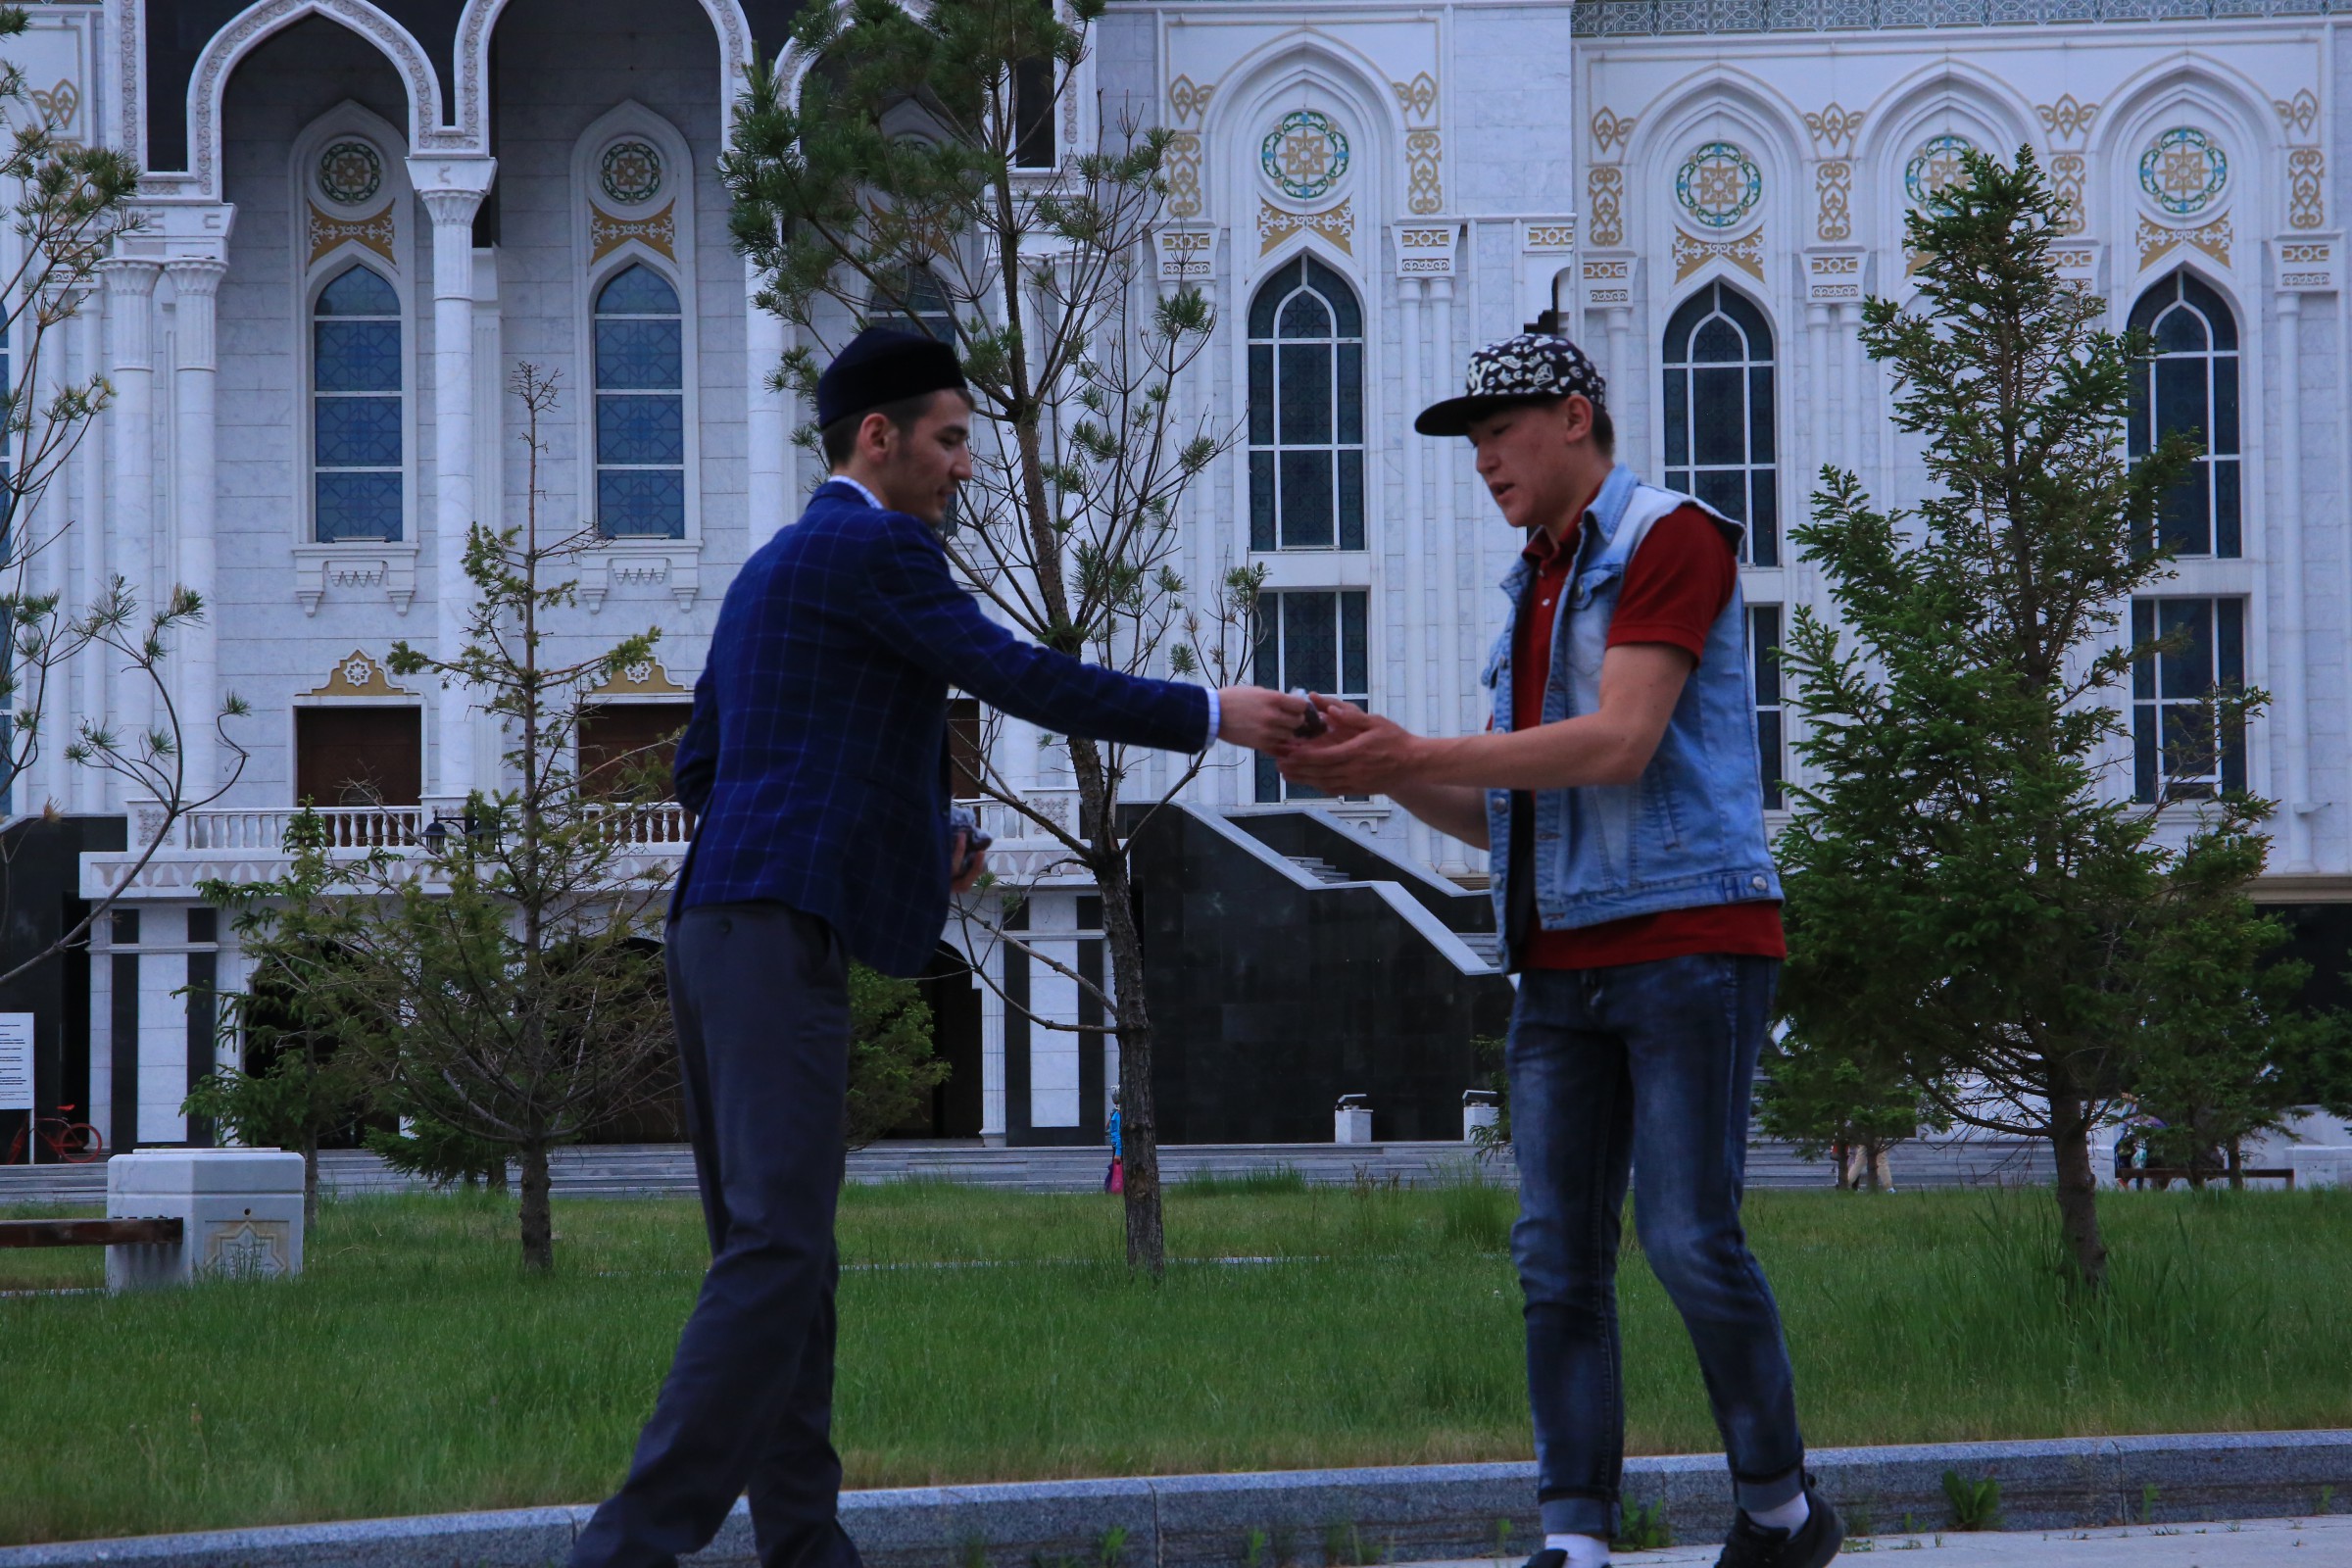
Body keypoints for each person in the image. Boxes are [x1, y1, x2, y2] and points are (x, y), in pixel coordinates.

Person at [571, 327, 1308, 1568]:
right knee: (777, 1251)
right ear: (881, 438)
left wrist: (918, 835)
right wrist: (1207, 711)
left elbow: (706, 770)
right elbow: (1016, 675)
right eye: (953, 439)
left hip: (712, 926)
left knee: (786, 1256)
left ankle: (806, 1548)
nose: (968, 466)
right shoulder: (882, 547)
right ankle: (626, 1550)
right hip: (776, 931)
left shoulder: (771, 568)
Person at [1281, 324, 1842, 1568]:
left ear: (1575, 418)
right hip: (1556, 961)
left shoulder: (1672, 538)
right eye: (1474, 441)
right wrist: (1365, 767)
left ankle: (1781, 1512)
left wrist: (1414, 748)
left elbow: (1619, 741)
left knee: (1687, 1238)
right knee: (1554, 1259)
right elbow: (1507, 807)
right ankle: (1576, 1539)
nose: (1484, 460)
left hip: (1688, 941)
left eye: (1500, 432)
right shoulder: (1534, 580)